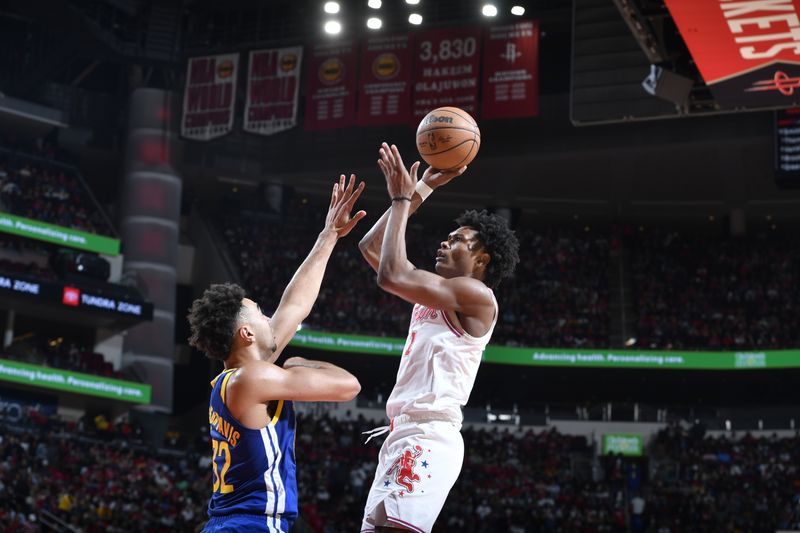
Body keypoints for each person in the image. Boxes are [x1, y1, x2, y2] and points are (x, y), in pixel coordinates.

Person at [187, 175, 366, 533]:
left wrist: (328, 236)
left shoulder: (242, 377)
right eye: (259, 312)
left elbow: (294, 307)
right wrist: (298, 363)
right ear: (247, 333)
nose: (270, 317)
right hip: (251, 526)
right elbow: (348, 386)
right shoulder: (256, 377)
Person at [358, 143, 520, 532]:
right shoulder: (433, 291)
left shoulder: (478, 298)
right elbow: (373, 248)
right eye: (447, 236)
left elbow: (390, 274)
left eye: (459, 239)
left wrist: (400, 199)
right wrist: (420, 191)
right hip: (400, 433)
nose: (445, 242)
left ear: (481, 260)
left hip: (430, 435)